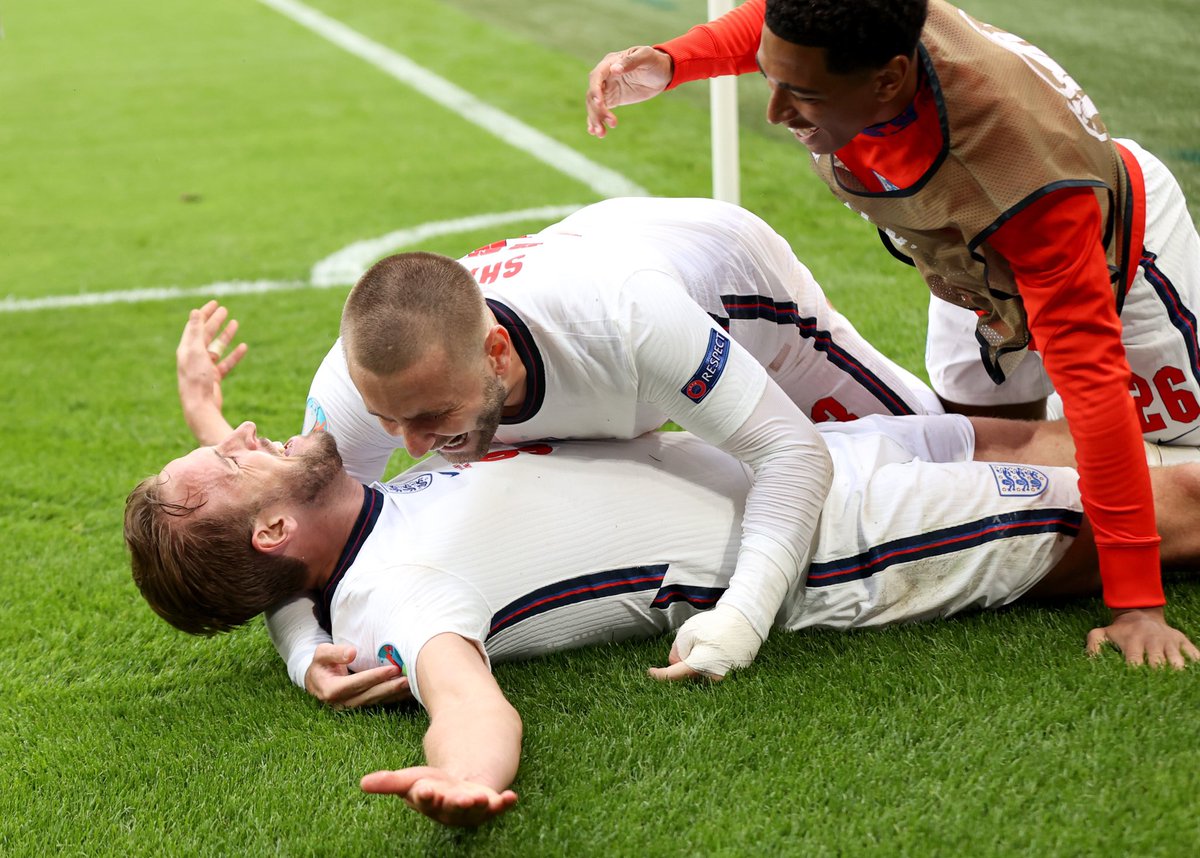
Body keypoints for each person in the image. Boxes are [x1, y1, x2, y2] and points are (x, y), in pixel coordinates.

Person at [125, 416, 1200, 827]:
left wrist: (297, 650)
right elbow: (462, 698)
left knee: (1058, 431)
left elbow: (268, 581)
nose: (246, 432)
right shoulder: (399, 595)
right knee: (1170, 507)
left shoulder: (358, 515)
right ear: (271, 528)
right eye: (230, 460)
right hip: (836, 539)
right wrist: (461, 775)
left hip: (802, 456)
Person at [584, 0, 1200, 661]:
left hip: (1113, 252)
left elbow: (1095, 387)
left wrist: (1137, 604)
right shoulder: (855, 32)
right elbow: (772, 22)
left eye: (804, 95)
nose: (776, 113)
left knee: (1176, 466)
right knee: (992, 450)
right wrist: (675, 59)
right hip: (965, 258)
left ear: (888, 80)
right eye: (772, 78)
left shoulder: (1025, 184)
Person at [180, 196, 946, 703]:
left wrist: (743, 617)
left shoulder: (630, 321)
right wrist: (303, 650)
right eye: (391, 422)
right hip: (585, 336)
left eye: (432, 417)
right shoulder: (365, 383)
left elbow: (794, 457)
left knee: (927, 439)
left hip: (733, 297)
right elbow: (287, 531)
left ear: (497, 354)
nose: (416, 448)